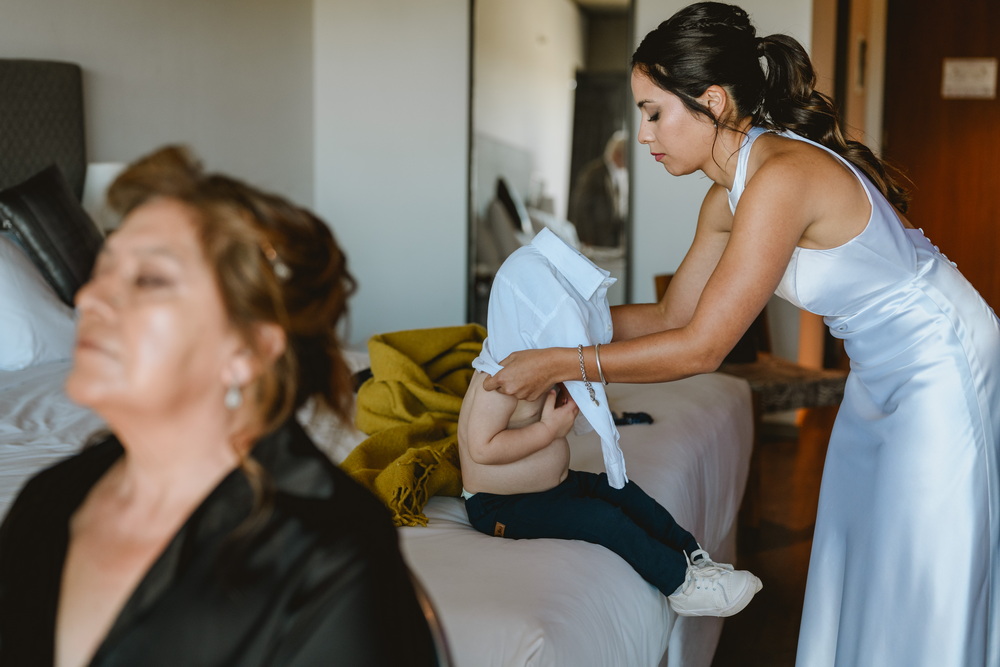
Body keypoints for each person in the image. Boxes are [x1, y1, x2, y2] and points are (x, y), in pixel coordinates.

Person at [481, 3, 1000, 666]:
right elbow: (672, 317)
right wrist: (538, 327)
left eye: (653, 112)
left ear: (713, 102)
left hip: (943, 362)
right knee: (862, 546)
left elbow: (703, 346)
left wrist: (560, 361)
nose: (643, 135)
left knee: (923, 563)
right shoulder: (723, 197)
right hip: (877, 371)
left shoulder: (780, 178)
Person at [0, 146, 437, 666]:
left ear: (247, 351)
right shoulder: (50, 499)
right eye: (101, 270)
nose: (87, 299)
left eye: (148, 280)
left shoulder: (328, 553)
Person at [458, 226, 762, 618]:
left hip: (555, 487)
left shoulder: (531, 366)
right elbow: (482, 447)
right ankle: (680, 585)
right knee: (604, 520)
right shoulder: (498, 380)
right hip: (503, 507)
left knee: (621, 492)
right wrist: (549, 430)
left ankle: (693, 557)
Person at [569, 130, 629, 248]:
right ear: (618, 154)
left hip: (611, 238)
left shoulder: (620, 175)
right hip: (594, 238)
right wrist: (586, 238)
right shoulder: (593, 173)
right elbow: (581, 207)